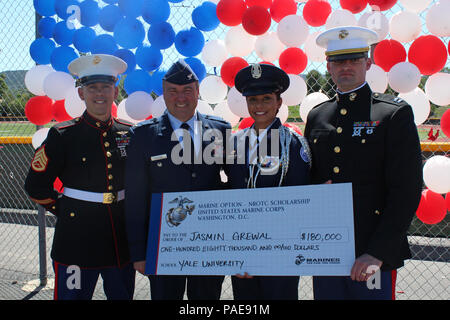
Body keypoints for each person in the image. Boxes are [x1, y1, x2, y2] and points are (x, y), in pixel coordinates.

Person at [304, 26, 423, 300]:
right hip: (326, 250)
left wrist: (378, 252)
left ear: (368, 63)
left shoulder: (392, 113)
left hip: (372, 252)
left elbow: (406, 190)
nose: (346, 66)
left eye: (354, 59)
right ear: (328, 66)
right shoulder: (317, 116)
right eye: (338, 60)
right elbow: (309, 177)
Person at [24, 54, 135, 300]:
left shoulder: (128, 132)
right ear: (80, 93)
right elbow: (35, 185)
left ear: (115, 91)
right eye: (92, 87)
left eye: (106, 87)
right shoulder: (62, 135)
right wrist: (66, 209)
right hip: (75, 239)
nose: (99, 93)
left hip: (119, 239)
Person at [124, 59, 231, 300]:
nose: (180, 97)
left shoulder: (221, 130)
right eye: (172, 91)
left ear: (197, 92)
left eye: (187, 91)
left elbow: (235, 183)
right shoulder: (143, 135)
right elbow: (135, 198)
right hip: (163, 243)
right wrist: (139, 252)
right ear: (163, 93)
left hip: (209, 243)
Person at [227, 63, 311, 300]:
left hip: (280, 252)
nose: (259, 106)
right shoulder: (234, 144)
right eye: (253, 100)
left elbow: (299, 202)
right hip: (241, 250)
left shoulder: (294, 144)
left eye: (266, 98)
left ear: (279, 103)